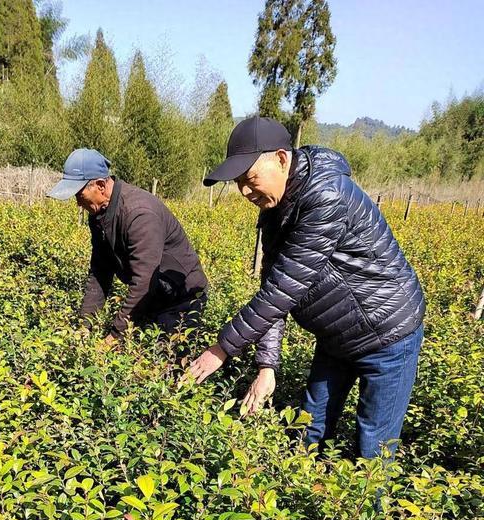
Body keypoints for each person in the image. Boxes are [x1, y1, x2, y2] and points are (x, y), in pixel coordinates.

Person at [188, 116, 425, 459]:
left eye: (250, 178)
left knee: (374, 448)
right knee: (309, 429)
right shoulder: (274, 210)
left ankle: (368, 513)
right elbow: (275, 289)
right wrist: (266, 367)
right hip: (337, 335)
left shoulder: (326, 196)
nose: (244, 191)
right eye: (238, 182)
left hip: (388, 333)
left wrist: (222, 349)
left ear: (281, 159)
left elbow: (283, 288)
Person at [47, 148, 208, 347]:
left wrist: (114, 336)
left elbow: (144, 280)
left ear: (100, 186)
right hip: (152, 296)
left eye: (79, 194)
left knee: (165, 362)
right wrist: (85, 325)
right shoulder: (99, 215)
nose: (78, 203)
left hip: (180, 299)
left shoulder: (139, 214)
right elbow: (100, 271)